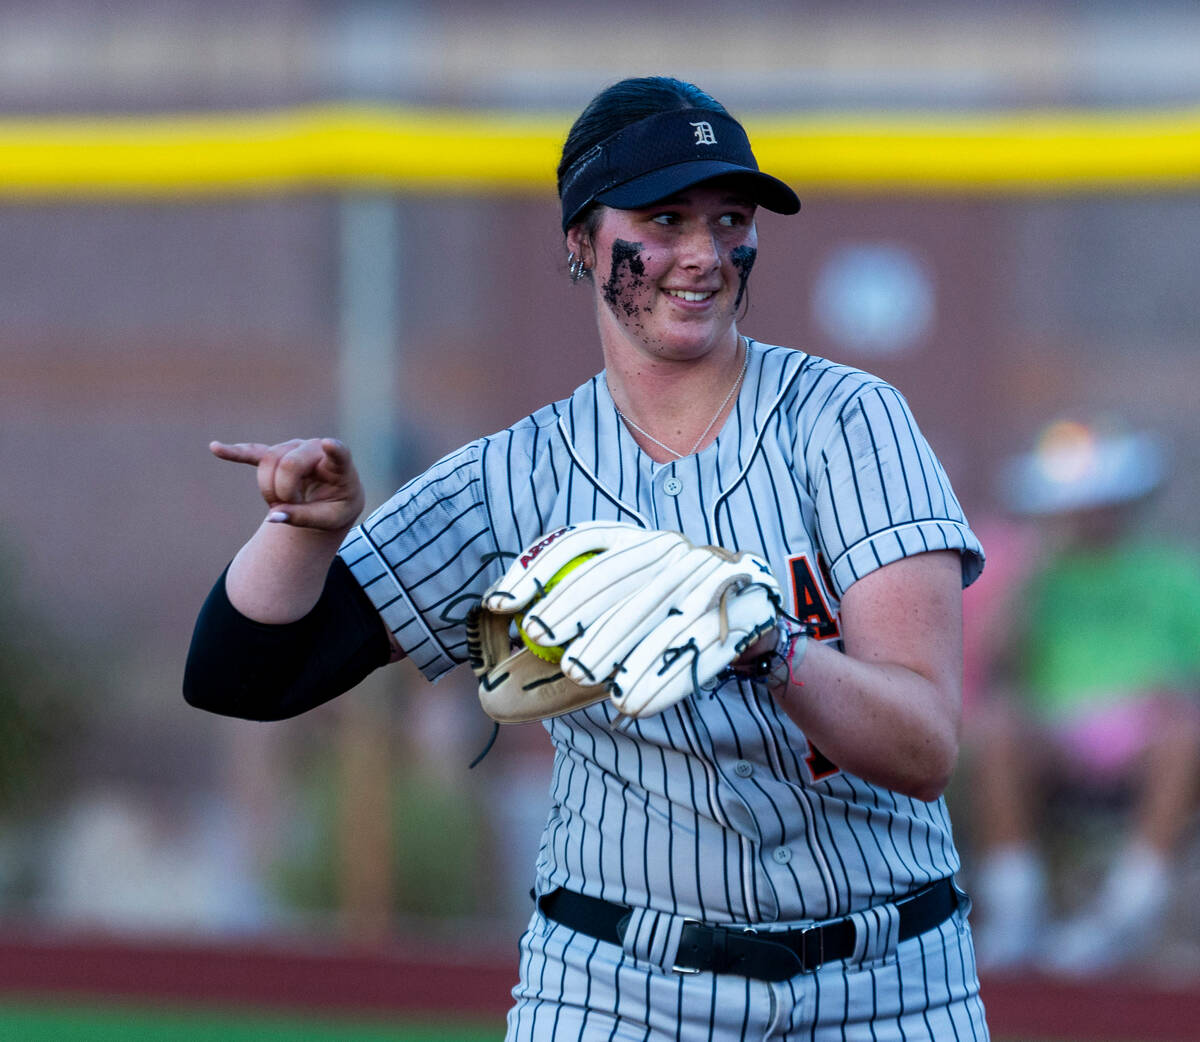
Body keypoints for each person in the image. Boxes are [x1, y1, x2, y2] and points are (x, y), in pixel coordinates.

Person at [185, 76, 989, 1041]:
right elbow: (245, 675)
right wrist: (303, 532)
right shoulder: (509, 477)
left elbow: (926, 747)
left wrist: (762, 642)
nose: (701, 254)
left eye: (727, 218)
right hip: (618, 987)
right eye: (663, 218)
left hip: (890, 983)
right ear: (581, 242)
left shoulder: (851, 424)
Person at [965, 419, 1200, 975]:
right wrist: (1028, 568)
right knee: (996, 731)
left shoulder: (1172, 574)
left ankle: (1128, 909)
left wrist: (1170, 693)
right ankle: (1015, 907)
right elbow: (994, 661)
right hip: (1056, 733)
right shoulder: (1035, 573)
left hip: (1148, 733)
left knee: (1185, 731)